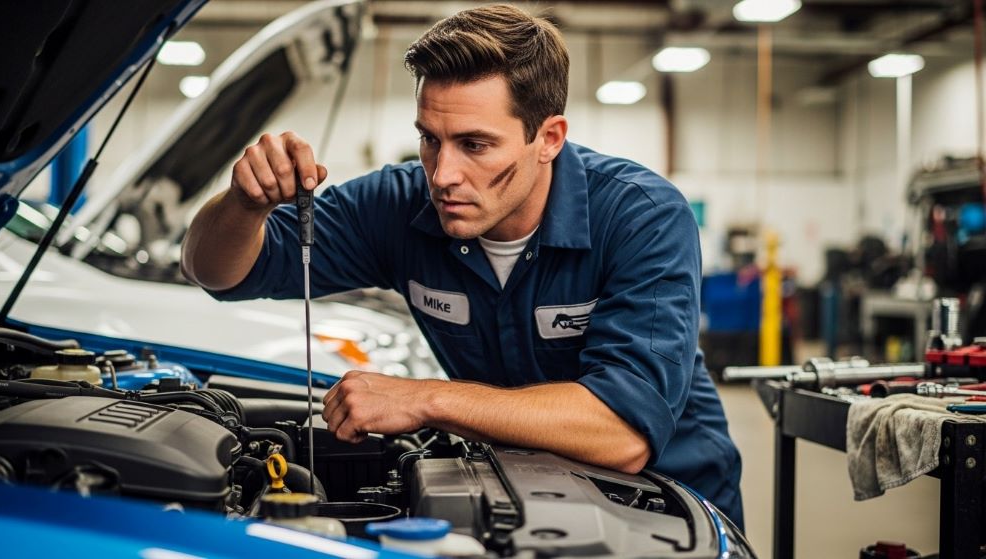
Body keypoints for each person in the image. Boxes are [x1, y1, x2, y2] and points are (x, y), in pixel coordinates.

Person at [182, 4, 744, 528]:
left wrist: (423, 399)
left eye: (475, 144)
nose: (443, 174)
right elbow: (218, 271)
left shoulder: (640, 216)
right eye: (431, 139)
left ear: (548, 138)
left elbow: (622, 433)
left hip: (664, 512)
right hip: (519, 501)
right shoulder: (399, 206)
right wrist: (244, 204)